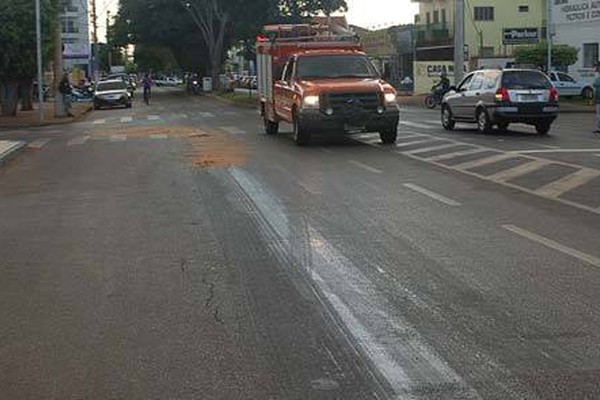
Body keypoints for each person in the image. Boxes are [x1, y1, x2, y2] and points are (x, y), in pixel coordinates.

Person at [594, 62, 600, 134]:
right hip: (598, 98)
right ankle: (598, 128)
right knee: (598, 115)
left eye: (597, 67)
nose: (596, 68)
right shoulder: (597, 76)